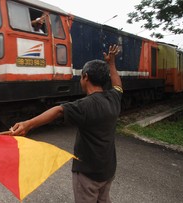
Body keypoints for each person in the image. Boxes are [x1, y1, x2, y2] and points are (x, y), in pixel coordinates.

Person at [11, 44, 122, 203]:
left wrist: (28, 124)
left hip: (88, 173)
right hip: (108, 169)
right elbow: (118, 84)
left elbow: (58, 110)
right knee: (104, 199)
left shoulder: (84, 106)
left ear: (85, 77)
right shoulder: (114, 98)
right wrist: (111, 63)